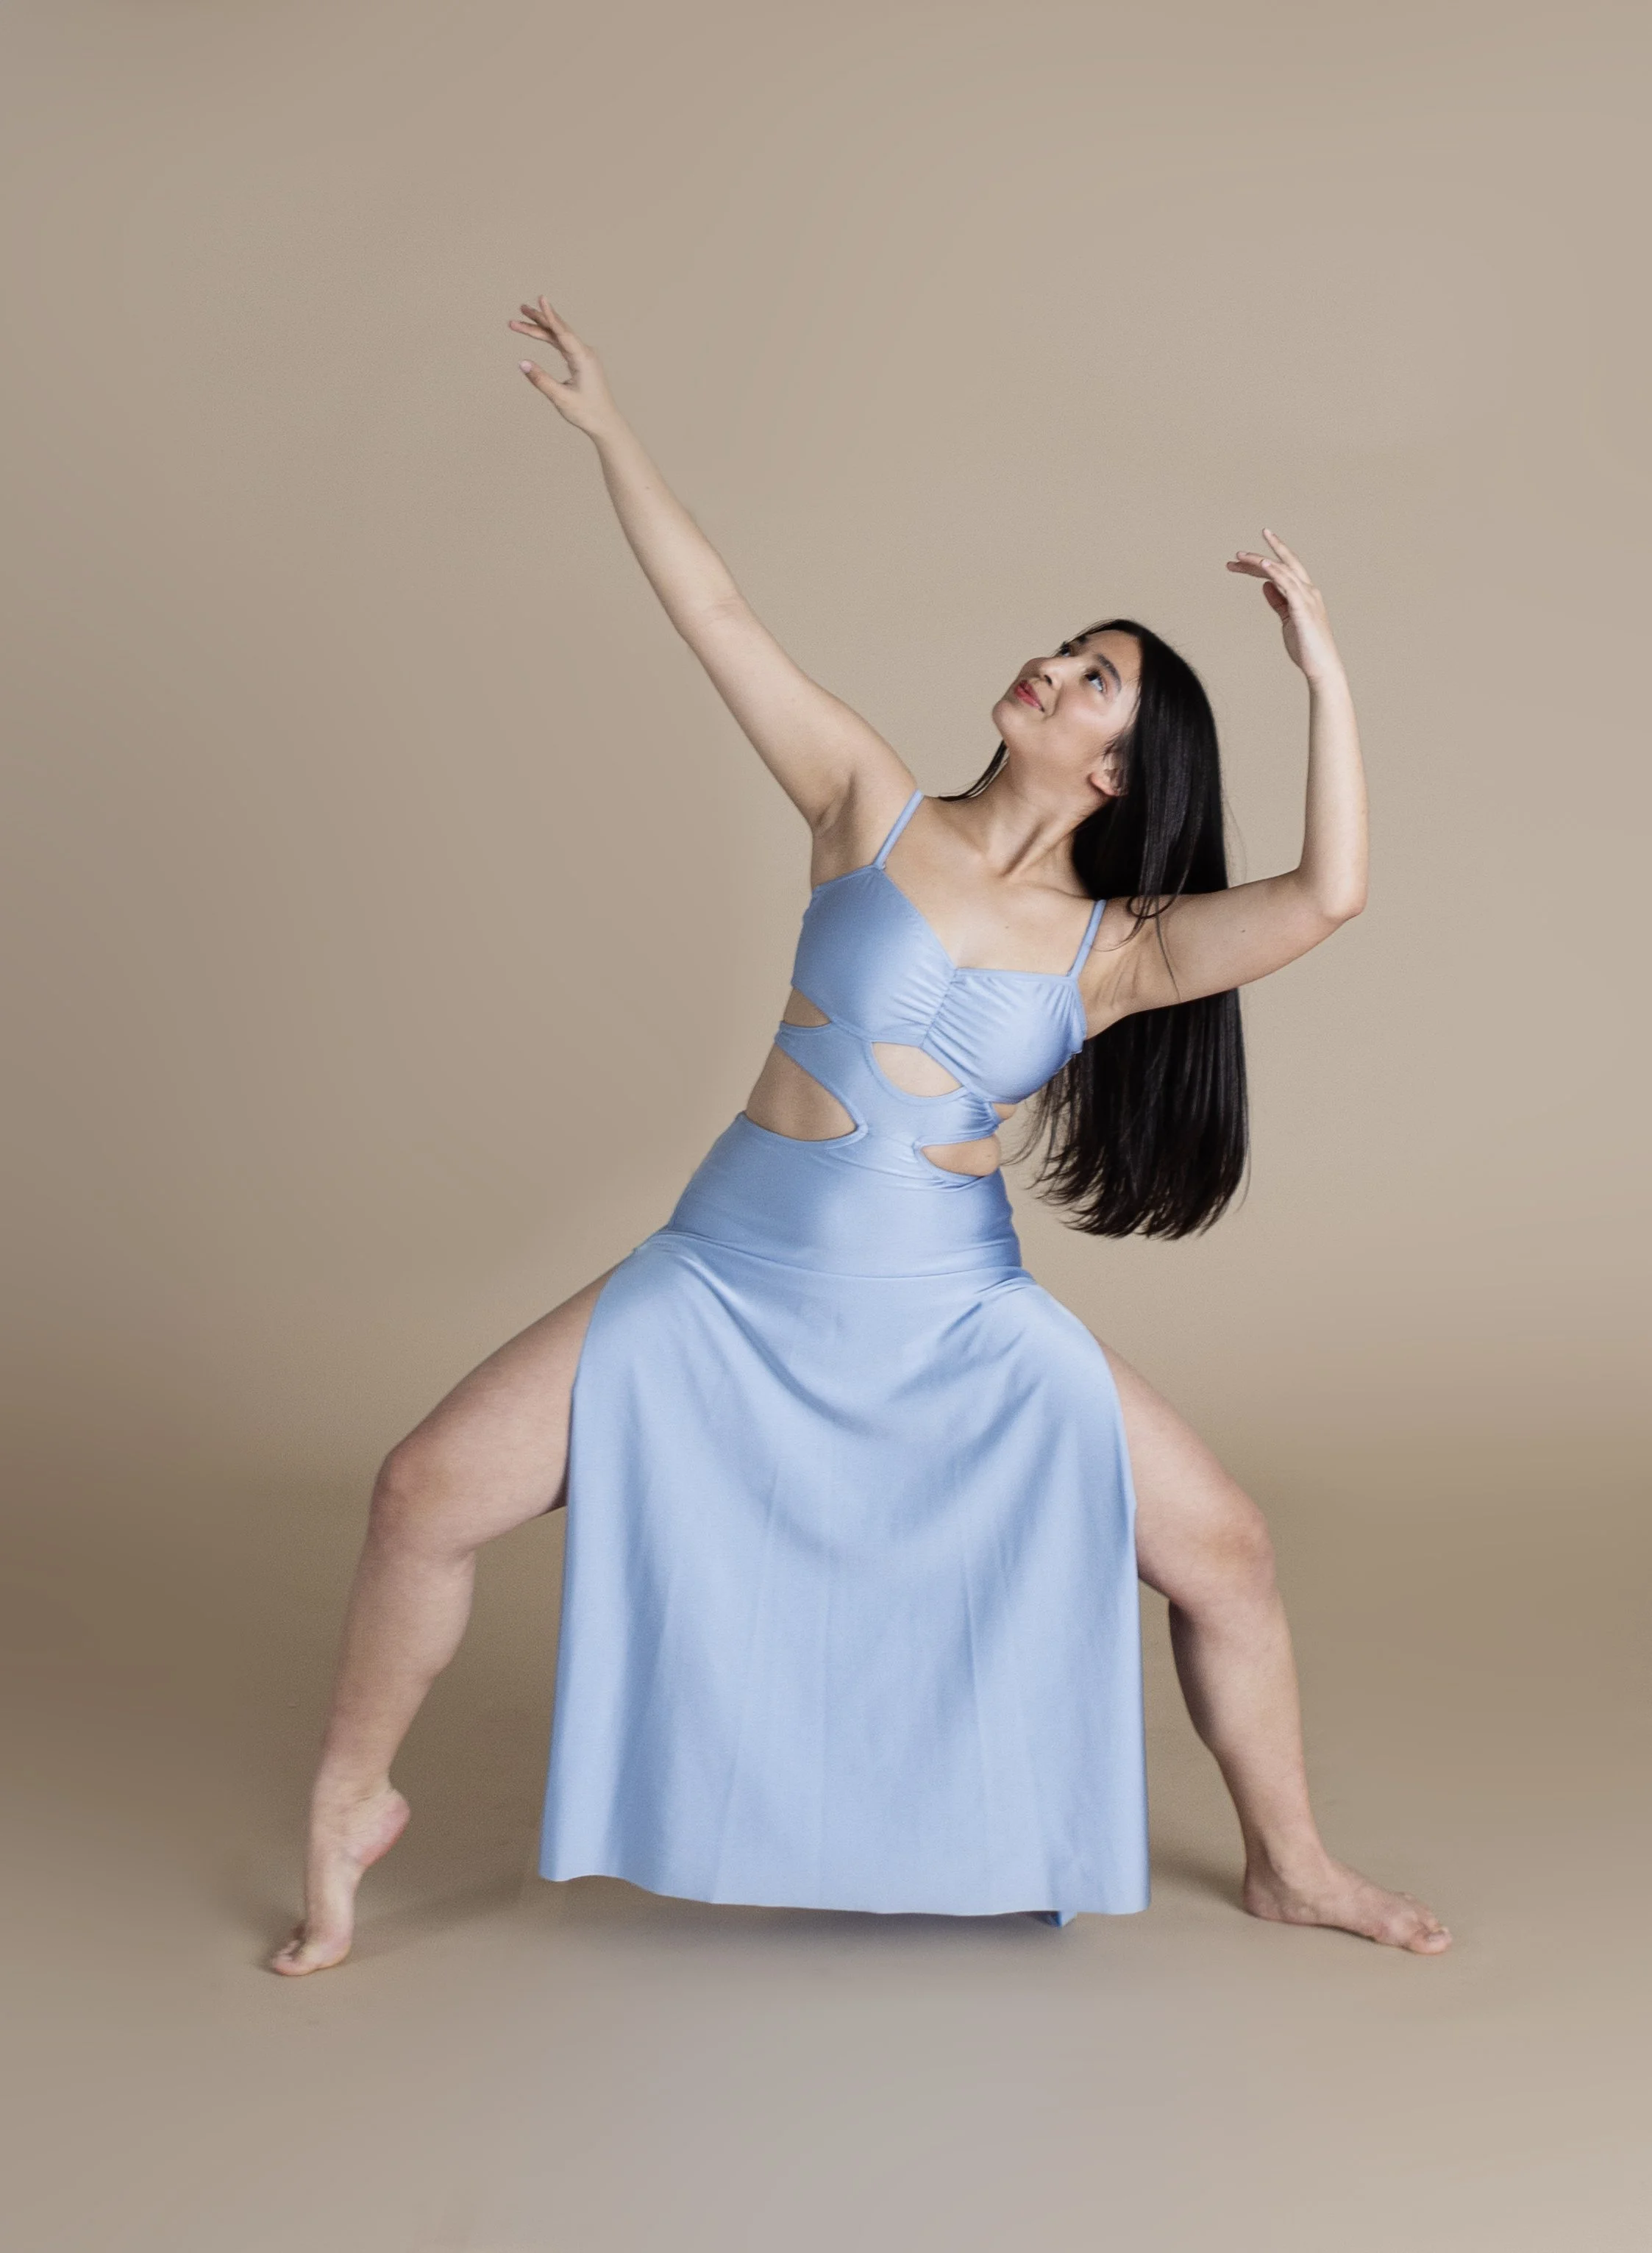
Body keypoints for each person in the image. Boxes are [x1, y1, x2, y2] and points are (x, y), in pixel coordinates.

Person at [270, 295, 1450, 1975]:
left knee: (1228, 1551)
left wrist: (1322, 667)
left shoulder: (1118, 955)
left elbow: (1332, 895)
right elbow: (714, 608)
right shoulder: (864, 798)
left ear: (1119, 771)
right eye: (1065, 647)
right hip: (726, 1279)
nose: (1050, 664)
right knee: (421, 1489)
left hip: (953, 1319)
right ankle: (345, 1803)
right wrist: (615, 435)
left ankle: (1292, 1860)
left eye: (1091, 675)